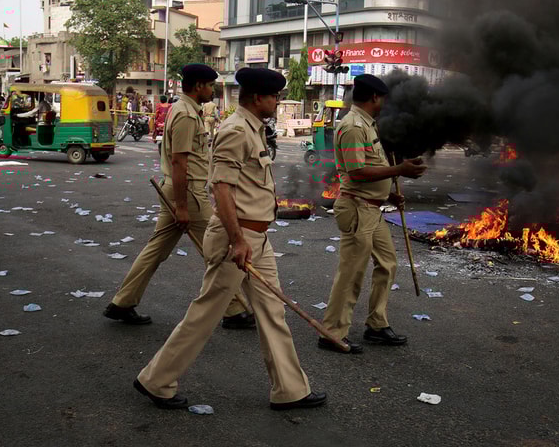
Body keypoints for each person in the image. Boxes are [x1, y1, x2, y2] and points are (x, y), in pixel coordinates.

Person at [134, 67, 327, 411]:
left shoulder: (254, 129)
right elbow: (221, 188)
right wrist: (238, 240)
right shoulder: (236, 130)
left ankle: (290, 390)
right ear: (257, 98)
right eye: (274, 97)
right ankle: (156, 380)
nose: (277, 102)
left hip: (256, 238)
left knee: (272, 311)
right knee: (206, 313)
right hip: (235, 239)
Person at [104, 64, 253, 329]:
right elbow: (179, 161)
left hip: (176, 190)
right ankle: (234, 310)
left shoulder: (184, 109)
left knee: (156, 250)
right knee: (216, 249)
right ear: (198, 86)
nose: (212, 90)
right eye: (210, 85)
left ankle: (122, 302)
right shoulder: (185, 114)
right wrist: (182, 207)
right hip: (188, 193)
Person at [318, 74, 427, 354]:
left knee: (387, 263)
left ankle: (376, 325)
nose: (384, 104)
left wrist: (387, 195)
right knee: (351, 274)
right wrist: (399, 170)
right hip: (357, 209)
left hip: (371, 208)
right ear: (375, 97)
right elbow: (356, 172)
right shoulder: (354, 126)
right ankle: (332, 333)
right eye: (383, 99)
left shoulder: (367, 124)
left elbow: (369, 167)